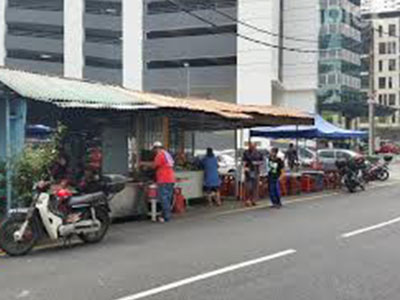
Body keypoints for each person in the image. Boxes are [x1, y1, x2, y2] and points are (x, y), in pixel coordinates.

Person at [152, 141, 176, 222]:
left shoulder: (159, 154)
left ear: (156, 148)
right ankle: (165, 215)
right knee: (168, 198)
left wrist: (143, 164)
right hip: (171, 178)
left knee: (163, 198)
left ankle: (166, 216)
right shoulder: (167, 154)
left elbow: (154, 165)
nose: (154, 151)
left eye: (154, 149)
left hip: (163, 179)